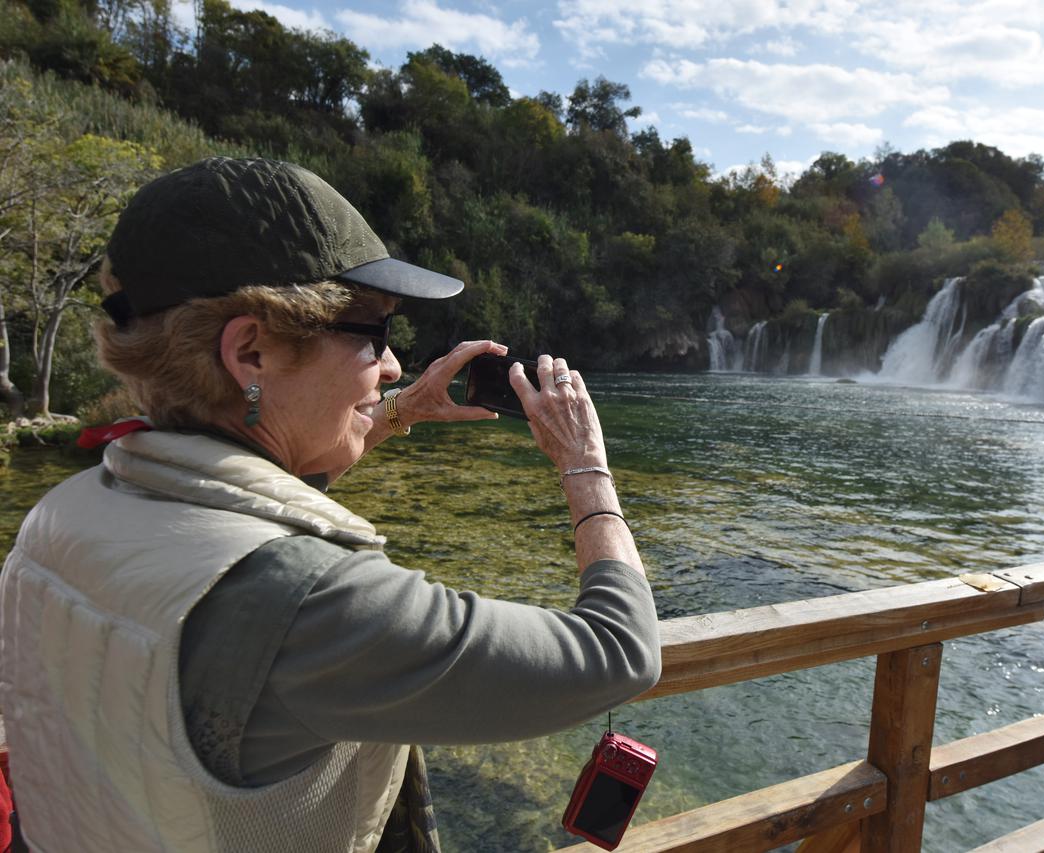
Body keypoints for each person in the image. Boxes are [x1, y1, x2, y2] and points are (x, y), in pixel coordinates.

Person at [0, 158, 660, 852]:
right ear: (250, 351)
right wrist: (585, 464)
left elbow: (236, 503)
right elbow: (619, 653)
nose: (393, 363)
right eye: (372, 334)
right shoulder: (315, 603)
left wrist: (392, 412)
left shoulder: (64, 512)